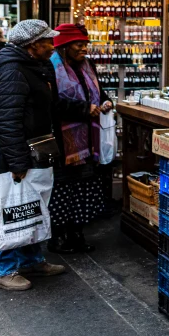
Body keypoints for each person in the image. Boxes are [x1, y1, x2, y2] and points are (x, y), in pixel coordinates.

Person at [0, 20, 68, 291]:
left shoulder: (35, 66)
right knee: (10, 206)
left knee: (31, 205)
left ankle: (32, 259)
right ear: (33, 45)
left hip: (36, 148)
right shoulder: (12, 70)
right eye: (48, 41)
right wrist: (17, 160)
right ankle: (4, 270)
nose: (52, 46)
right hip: (16, 152)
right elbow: (7, 120)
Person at [47, 24, 111, 254]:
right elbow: (53, 104)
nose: (84, 49)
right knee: (63, 188)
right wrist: (85, 108)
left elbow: (97, 91)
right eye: (79, 44)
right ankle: (59, 237)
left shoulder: (87, 66)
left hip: (86, 140)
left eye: (86, 44)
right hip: (65, 142)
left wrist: (105, 101)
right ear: (64, 46)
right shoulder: (51, 67)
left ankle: (77, 234)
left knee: (83, 187)